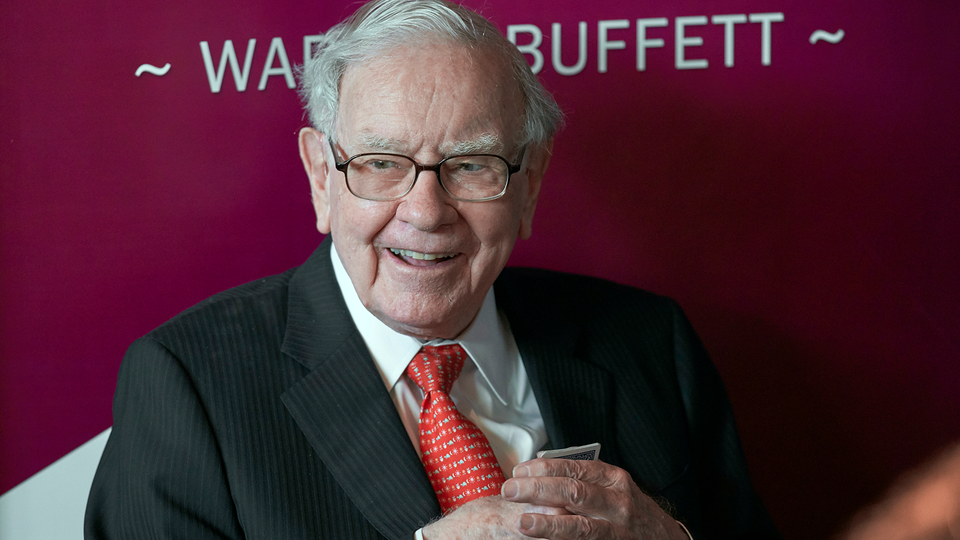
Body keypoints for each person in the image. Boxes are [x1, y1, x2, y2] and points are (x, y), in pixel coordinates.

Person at [85, 0, 779, 538]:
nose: (425, 211)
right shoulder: (189, 385)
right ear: (322, 177)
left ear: (530, 185)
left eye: (471, 165)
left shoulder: (650, 341)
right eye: (381, 163)